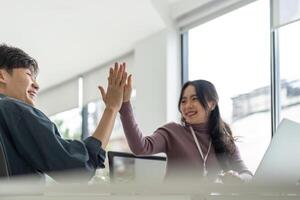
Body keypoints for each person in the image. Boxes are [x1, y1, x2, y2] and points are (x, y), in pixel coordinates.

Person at [0, 44, 127, 181]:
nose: (37, 86)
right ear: (2, 76)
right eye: (29, 75)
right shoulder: (14, 110)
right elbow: (76, 168)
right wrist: (111, 108)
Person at [119, 74, 253, 183]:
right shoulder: (172, 132)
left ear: (212, 104)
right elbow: (140, 147)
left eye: (194, 99)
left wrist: (239, 179)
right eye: (183, 101)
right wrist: (125, 104)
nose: (187, 106)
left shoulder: (224, 139)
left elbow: (247, 174)